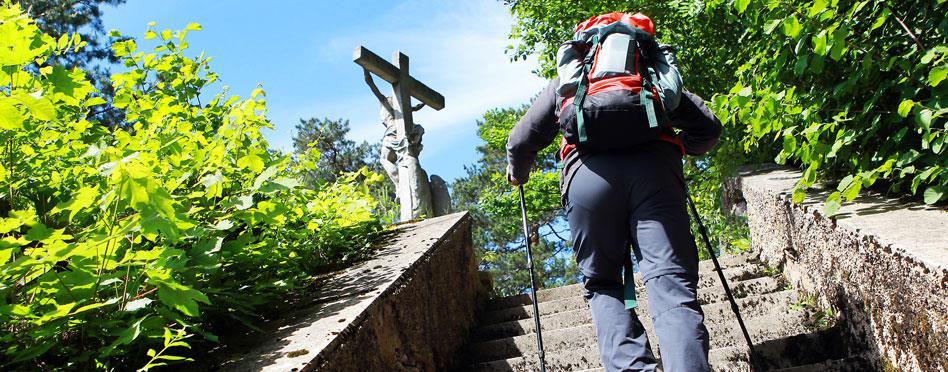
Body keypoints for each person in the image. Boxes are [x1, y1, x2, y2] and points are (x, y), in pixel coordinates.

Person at [505, 77, 722, 371]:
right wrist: (681, 146)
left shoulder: (571, 76)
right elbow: (708, 127)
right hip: (654, 171)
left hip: (587, 177)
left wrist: (517, 172)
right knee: (670, 282)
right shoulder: (646, 71)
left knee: (603, 283)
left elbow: (520, 142)